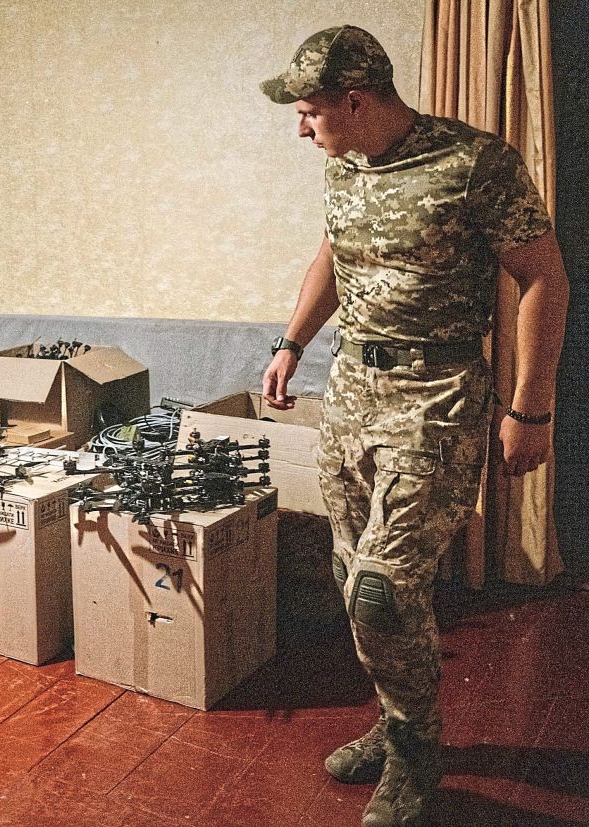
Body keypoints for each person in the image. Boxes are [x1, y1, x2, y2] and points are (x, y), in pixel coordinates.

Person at [258, 25, 569, 827]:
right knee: (348, 574)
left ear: (355, 100)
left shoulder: (475, 163)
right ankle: (398, 716)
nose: (301, 127)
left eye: (309, 111)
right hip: (354, 387)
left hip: (437, 396)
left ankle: (415, 749)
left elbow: (543, 278)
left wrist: (531, 407)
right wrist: (292, 343)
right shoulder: (343, 165)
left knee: (383, 592)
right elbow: (333, 255)